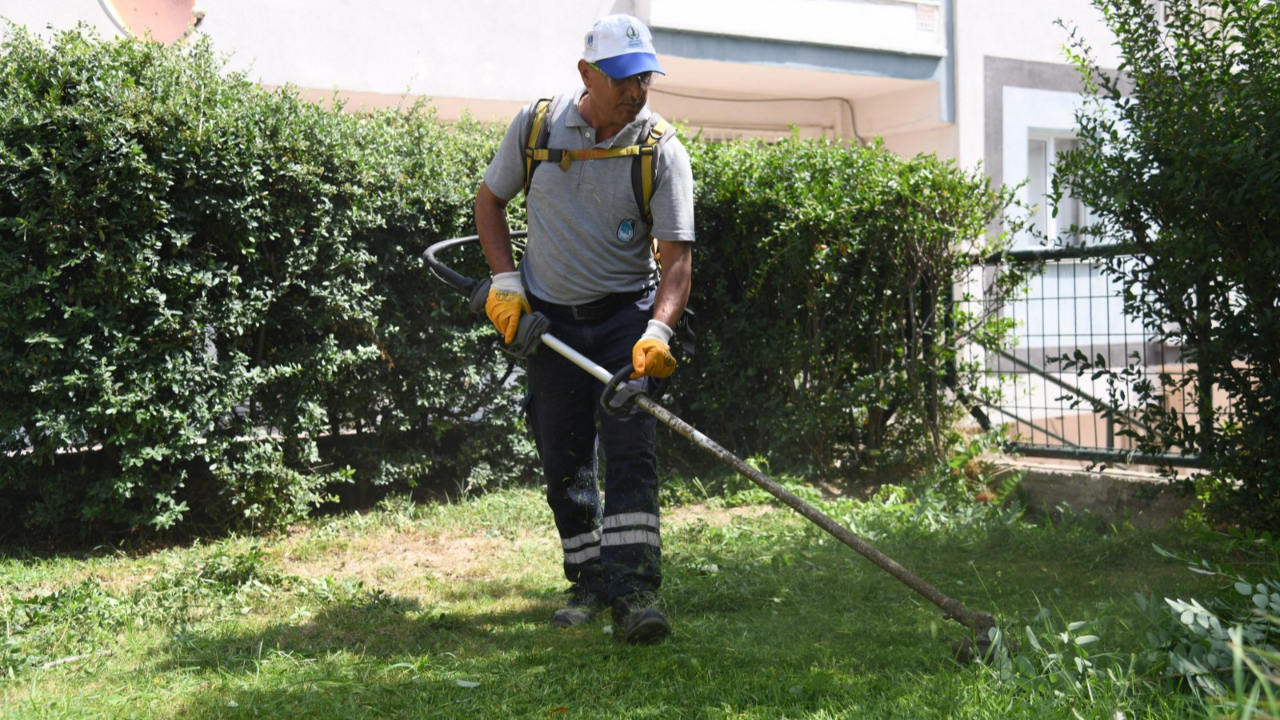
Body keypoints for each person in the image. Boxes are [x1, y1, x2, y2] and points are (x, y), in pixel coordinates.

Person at [473, 14, 695, 644]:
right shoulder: (537, 128)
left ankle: (634, 592)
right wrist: (507, 286)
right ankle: (588, 580)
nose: (636, 91)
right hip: (550, 325)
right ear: (587, 74)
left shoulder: (661, 149)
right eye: (623, 78)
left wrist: (658, 332)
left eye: (644, 77)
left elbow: (676, 263)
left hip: (625, 320)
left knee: (630, 454)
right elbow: (490, 203)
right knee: (563, 454)